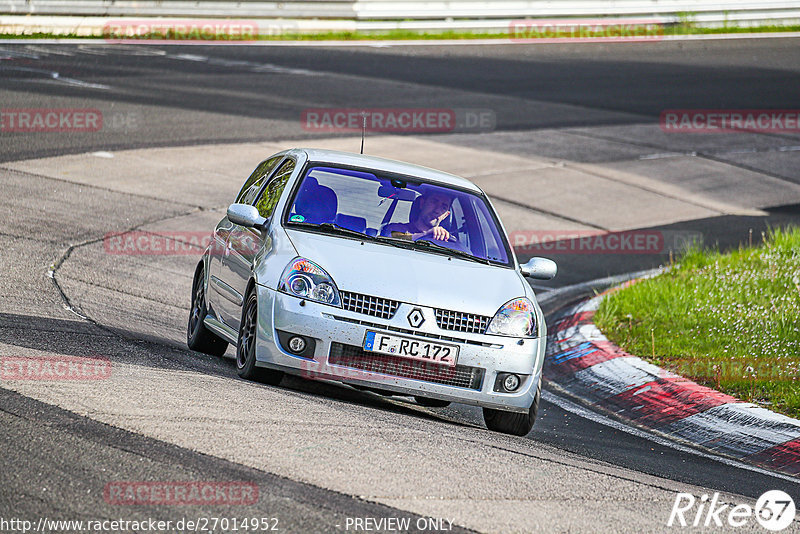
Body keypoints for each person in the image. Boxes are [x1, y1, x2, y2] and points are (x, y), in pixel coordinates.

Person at [382, 190, 453, 242]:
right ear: (422, 203)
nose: (437, 210)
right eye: (434, 202)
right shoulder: (396, 228)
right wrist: (425, 234)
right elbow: (389, 237)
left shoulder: (447, 240)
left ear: (446, 215)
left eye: (443, 207)